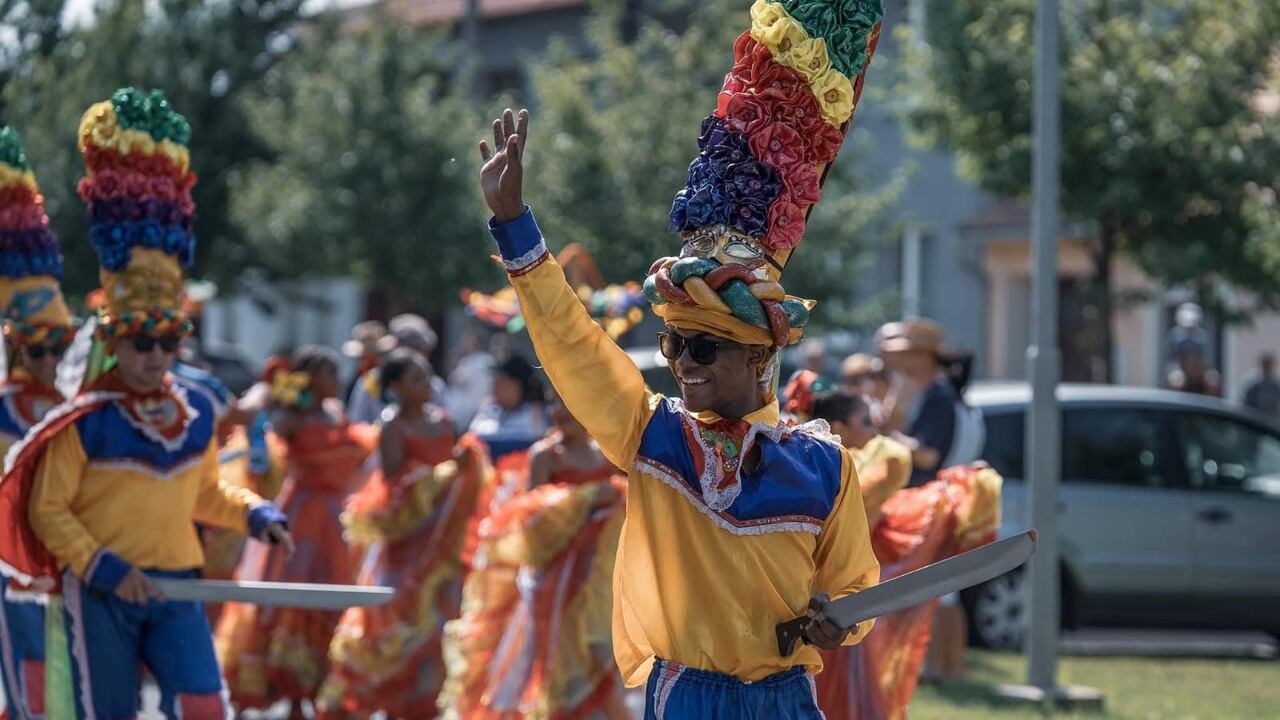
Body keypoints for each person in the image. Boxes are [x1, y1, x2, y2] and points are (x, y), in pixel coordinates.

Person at [473, 18, 887, 707]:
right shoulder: (655, 437)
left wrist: (838, 621)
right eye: (673, 344)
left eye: (701, 346)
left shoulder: (825, 467)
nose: (681, 362)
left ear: (760, 356)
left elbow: (854, 590)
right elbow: (575, 347)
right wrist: (517, 225)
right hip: (687, 698)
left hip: (787, 698)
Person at [0, 89, 293, 720]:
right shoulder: (86, 422)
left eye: (168, 339)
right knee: (106, 713)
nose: (156, 354)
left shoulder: (194, 412)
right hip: (101, 590)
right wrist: (101, 567)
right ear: (112, 340)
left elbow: (205, 492)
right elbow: (48, 510)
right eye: (141, 340)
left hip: (177, 587)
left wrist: (255, 513)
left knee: (201, 705)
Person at [315, 349, 487, 719]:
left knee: (439, 627)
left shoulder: (442, 421)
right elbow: (395, 488)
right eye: (416, 379)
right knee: (398, 627)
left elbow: (457, 479)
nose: (426, 386)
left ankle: (427, 706)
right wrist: (442, 474)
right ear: (394, 387)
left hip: (444, 542)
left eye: (426, 376)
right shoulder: (392, 427)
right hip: (406, 545)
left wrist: (464, 469)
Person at [216, 345, 378, 718]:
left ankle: (316, 689)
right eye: (328, 374)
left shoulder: (337, 413)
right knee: (292, 599)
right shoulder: (291, 418)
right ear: (309, 378)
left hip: (335, 520)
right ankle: (290, 694)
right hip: (302, 515)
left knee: (333, 595)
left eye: (336, 373)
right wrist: (275, 389)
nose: (336, 380)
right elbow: (253, 427)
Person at [449, 390, 630, 719]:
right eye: (555, 403)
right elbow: (529, 520)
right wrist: (588, 498)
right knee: (552, 653)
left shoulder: (607, 453)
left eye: (570, 402)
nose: (561, 411)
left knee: (595, 651)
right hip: (552, 578)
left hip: (598, 580)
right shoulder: (546, 455)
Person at [0, 126, 77, 720]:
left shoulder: (75, 403)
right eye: (37, 348)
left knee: (70, 680)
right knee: (25, 676)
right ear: (15, 347)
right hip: (9, 559)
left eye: (59, 346)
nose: (49, 359)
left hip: (68, 557)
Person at [348, 314, 450, 424]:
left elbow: (443, 423)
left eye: (419, 349)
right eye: (409, 347)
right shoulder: (371, 382)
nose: (414, 356)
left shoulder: (433, 385)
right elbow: (356, 423)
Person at [467, 354, 548, 460]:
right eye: (495, 382)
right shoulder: (487, 408)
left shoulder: (537, 413)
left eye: (503, 382)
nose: (495, 387)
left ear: (519, 386)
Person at [1242, 352, 1280, 418]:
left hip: (1272, 422)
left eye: (1268, 366)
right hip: (1257, 421)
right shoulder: (1253, 388)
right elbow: (1246, 407)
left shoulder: (1276, 387)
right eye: (1265, 366)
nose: (1267, 369)